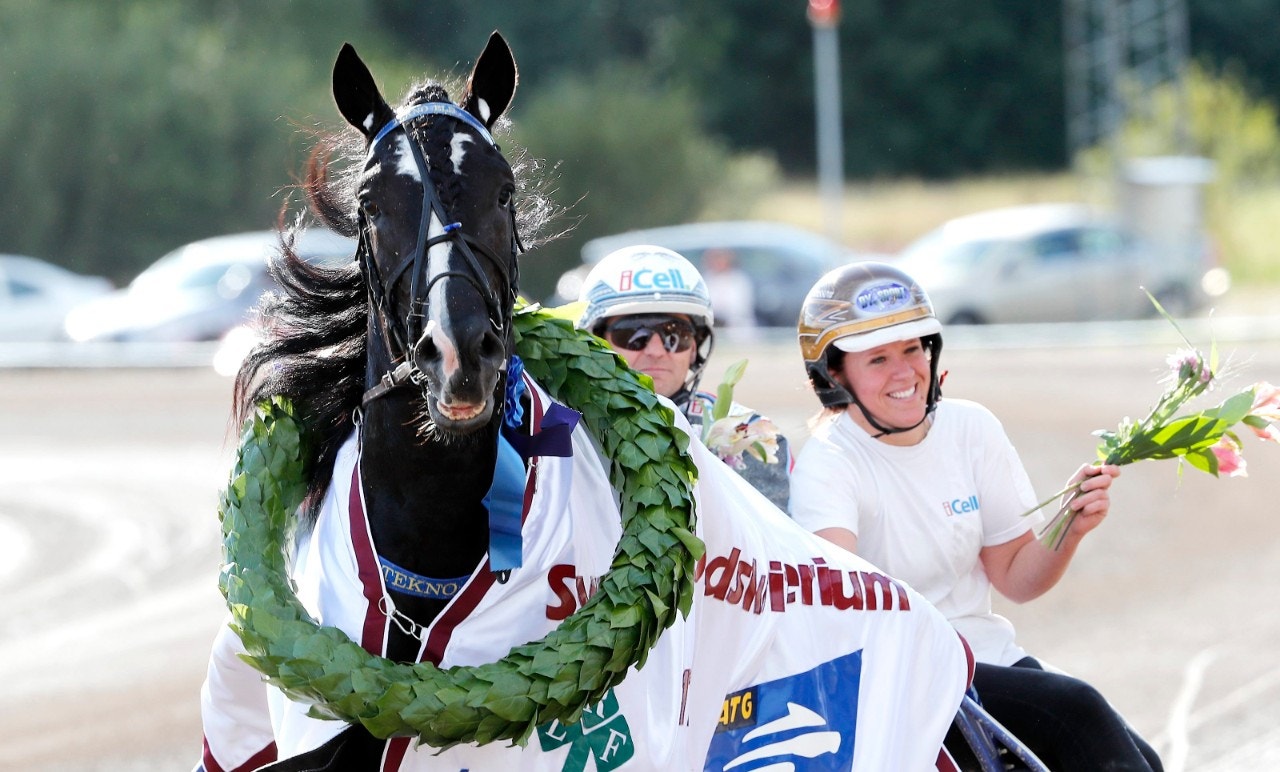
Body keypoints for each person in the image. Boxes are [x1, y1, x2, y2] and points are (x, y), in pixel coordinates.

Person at [788, 261, 1163, 771]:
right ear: (833, 374)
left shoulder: (971, 428)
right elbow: (840, 612)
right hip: (902, 678)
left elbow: (1014, 578)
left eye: (912, 349)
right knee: (1079, 712)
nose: (905, 372)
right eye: (877, 359)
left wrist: (1068, 527)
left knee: (1142, 757)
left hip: (986, 657)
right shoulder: (830, 461)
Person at [577, 244, 791, 509]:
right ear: (596, 343)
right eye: (632, 334)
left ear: (694, 348)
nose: (656, 351)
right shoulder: (563, 434)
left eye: (675, 335)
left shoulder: (751, 436)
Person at [701, 247, 756, 330]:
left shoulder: (739, 280)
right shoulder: (705, 279)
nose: (718, 262)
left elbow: (741, 307)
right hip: (711, 325)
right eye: (715, 258)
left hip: (736, 326)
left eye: (721, 258)